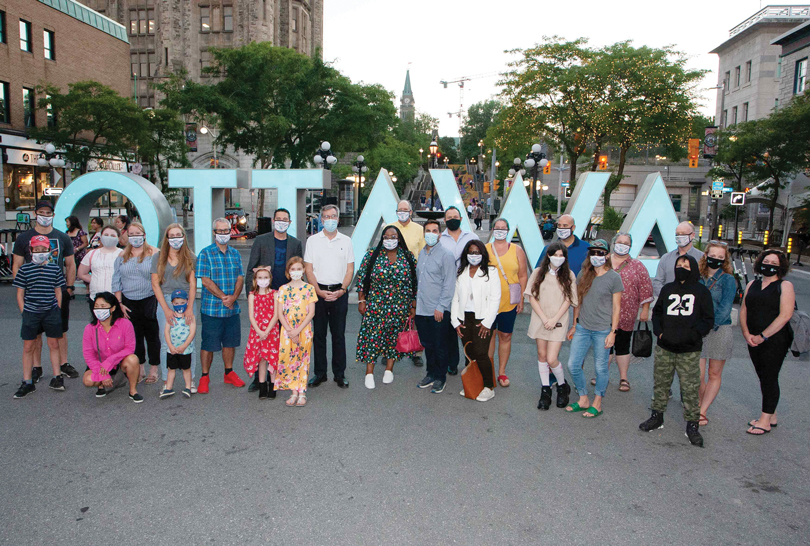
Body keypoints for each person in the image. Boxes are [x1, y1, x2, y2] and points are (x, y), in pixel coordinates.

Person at [641, 255, 713, 447]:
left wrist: (692, 336)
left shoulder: (701, 291)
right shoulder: (668, 288)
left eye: (686, 265)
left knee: (689, 388)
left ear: (694, 268)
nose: (681, 267)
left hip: (689, 350)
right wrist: (660, 333)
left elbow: (707, 319)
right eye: (679, 264)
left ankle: (692, 425)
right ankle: (657, 416)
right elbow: (657, 313)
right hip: (665, 347)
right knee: (661, 383)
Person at [12, 200, 78, 383]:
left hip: (57, 290)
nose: (45, 216)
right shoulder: (24, 238)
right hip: (32, 292)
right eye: (41, 212)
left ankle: (63, 364)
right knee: (35, 333)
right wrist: (22, 289)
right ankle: (36, 367)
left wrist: (69, 287)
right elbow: (17, 265)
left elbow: (70, 264)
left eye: (48, 213)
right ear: (35, 213)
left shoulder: (62, 237)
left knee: (60, 330)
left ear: (53, 215)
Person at [244, 207, 304, 391]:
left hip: (285, 297)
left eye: (285, 219)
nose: (281, 222)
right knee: (262, 336)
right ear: (273, 220)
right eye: (279, 219)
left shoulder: (295, 243)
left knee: (281, 337)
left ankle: (279, 375)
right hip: (264, 298)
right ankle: (258, 379)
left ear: (290, 222)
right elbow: (250, 269)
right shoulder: (261, 241)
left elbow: (298, 270)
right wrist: (251, 295)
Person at [565, 239, 622, 418]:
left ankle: (597, 403)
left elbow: (617, 307)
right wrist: (574, 325)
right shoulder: (583, 274)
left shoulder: (614, 277)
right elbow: (578, 302)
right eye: (593, 253)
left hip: (603, 330)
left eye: (600, 253)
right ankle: (583, 398)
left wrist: (613, 332)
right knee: (573, 364)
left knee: (601, 368)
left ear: (607, 255)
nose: (596, 256)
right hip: (582, 328)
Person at [740, 249, 795, 435]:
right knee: (763, 376)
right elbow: (744, 310)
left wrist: (763, 336)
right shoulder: (752, 285)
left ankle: (764, 421)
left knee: (770, 376)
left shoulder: (785, 286)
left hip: (775, 338)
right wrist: (747, 334)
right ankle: (772, 414)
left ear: (780, 267)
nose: (769, 265)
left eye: (774, 263)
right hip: (753, 338)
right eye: (766, 261)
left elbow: (785, 315)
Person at [356, 226, 418, 389]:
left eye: (393, 236)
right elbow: (362, 279)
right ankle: (369, 373)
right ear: (382, 238)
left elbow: (414, 282)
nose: (390, 240)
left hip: (400, 305)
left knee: (394, 337)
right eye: (386, 237)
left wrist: (413, 304)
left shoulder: (408, 256)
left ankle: (389, 369)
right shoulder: (372, 255)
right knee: (372, 338)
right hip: (375, 305)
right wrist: (361, 301)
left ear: (399, 238)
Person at [304, 205, 354, 389]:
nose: (330, 219)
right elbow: (308, 268)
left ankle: (339, 374)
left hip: (339, 293)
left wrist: (342, 289)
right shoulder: (313, 241)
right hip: (318, 293)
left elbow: (350, 268)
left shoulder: (346, 241)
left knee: (338, 335)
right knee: (319, 335)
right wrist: (317, 290)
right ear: (321, 219)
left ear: (338, 219)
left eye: (333, 216)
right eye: (326, 216)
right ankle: (320, 373)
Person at [196, 218, 246, 393]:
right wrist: (225, 297)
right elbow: (205, 280)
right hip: (212, 308)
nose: (223, 234)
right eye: (220, 231)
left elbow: (240, 277)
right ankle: (204, 376)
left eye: (226, 231)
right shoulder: (205, 253)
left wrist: (234, 297)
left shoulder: (235, 254)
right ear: (214, 232)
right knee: (208, 344)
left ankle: (228, 372)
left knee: (230, 343)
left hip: (232, 308)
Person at [13, 235, 66, 398]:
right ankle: (27, 381)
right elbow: (20, 293)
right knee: (29, 346)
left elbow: (58, 290)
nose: (40, 253)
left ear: (49, 251)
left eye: (44, 250)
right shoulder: (24, 269)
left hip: (51, 311)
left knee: (54, 344)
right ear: (31, 251)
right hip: (31, 312)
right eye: (37, 250)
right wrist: (25, 312)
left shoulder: (55, 269)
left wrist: (57, 308)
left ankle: (58, 377)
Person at [526, 241, 577, 410]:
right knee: (541, 355)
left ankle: (562, 386)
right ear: (548, 255)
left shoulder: (569, 275)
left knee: (551, 358)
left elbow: (569, 299)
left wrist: (554, 319)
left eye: (561, 255)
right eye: (555, 254)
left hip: (559, 320)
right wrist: (544, 318)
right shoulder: (538, 273)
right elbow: (531, 296)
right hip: (540, 319)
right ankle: (545, 389)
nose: (558, 258)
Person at [451, 240, 501, 402]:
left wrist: (487, 323)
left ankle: (488, 387)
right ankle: (474, 383)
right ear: (466, 254)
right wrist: (455, 322)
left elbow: (495, 298)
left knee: (481, 352)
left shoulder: (491, 272)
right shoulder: (461, 272)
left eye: (477, 252)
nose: (474, 256)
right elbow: (455, 298)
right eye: (471, 252)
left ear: (483, 254)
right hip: (464, 318)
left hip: (483, 318)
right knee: (469, 352)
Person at [604, 232, 653, 392]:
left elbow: (646, 288)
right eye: (620, 242)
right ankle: (601, 375)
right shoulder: (603, 261)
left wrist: (644, 310)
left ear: (630, 246)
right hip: (603, 313)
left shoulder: (637, 266)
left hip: (626, 314)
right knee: (604, 346)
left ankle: (623, 378)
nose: (623, 245)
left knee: (622, 346)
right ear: (613, 243)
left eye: (626, 243)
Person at [150, 224, 197, 388]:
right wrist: (166, 309)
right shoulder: (158, 258)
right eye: (172, 235)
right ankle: (166, 380)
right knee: (166, 341)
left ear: (184, 237)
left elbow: (192, 283)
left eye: (179, 235)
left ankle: (189, 380)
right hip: (166, 300)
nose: (176, 239)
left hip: (187, 300)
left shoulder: (190, 257)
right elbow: (155, 284)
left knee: (189, 340)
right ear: (167, 238)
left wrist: (190, 307)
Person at [112, 221, 160, 383]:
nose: (135, 237)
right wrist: (119, 303)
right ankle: (140, 368)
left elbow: (160, 277)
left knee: (152, 335)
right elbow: (116, 281)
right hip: (128, 302)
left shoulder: (155, 253)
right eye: (131, 234)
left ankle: (154, 368)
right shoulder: (121, 256)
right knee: (135, 336)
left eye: (138, 234)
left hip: (149, 299)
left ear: (144, 235)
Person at [697, 241, 737, 426]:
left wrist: (709, 326)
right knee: (697, 373)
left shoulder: (728, 280)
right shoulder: (697, 277)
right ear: (706, 255)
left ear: (725, 259)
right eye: (713, 255)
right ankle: (697, 403)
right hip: (698, 329)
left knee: (714, 373)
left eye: (721, 257)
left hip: (719, 329)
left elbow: (725, 308)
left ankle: (703, 410)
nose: (717, 259)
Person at [414, 219, 456, 394]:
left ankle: (440, 377)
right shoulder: (422, 253)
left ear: (440, 234)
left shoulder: (446, 255)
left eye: (434, 230)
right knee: (427, 343)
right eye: (428, 231)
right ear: (424, 233)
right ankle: (430, 373)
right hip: (422, 309)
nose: (431, 234)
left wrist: (441, 306)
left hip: (438, 309)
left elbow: (449, 283)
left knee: (440, 345)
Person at [486, 218, 528, 388]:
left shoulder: (517, 250)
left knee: (505, 336)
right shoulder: (485, 249)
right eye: (498, 228)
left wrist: (522, 298)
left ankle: (501, 372)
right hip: (488, 302)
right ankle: (488, 369)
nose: (500, 231)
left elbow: (523, 275)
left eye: (504, 228)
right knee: (489, 336)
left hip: (509, 302)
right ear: (493, 229)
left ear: (509, 231)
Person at [81, 292, 143, 403]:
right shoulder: (90, 329)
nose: (99, 310)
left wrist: (110, 361)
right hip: (100, 365)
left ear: (113, 308)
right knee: (87, 380)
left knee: (133, 359)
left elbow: (130, 348)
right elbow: (88, 355)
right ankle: (101, 385)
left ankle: (133, 390)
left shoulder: (125, 324)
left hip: (119, 364)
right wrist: (102, 374)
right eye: (96, 306)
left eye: (103, 306)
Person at [440, 206, 479, 374]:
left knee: (467, 325)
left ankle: (469, 360)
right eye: (449, 217)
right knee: (450, 327)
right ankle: (452, 362)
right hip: (447, 287)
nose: (452, 219)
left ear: (461, 218)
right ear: (445, 220)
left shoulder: (472, 237)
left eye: (455, 216)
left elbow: (479, 259)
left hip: (468, 287)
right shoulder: (440, 238)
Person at [389, 199, 426, 367]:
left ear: (411, 212)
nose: (402, 212)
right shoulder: (389, 228)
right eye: (399, 209)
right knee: (392, 314)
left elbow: (425, 253)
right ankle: (389, 348)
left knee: (415, 314)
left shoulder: (419, 230)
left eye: (405, 210)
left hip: (413, 278)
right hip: (393, 278)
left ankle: (416, 351)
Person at [275, 257, 317, 406]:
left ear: (304, 270)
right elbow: (279, 313)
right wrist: (290, 331)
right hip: (287, 330)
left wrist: (298, 331)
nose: (296, 272)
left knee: (303, 358)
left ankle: (302, 392)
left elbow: (311, 313)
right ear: (288, 272)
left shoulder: (309, 289)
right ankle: (293, 391)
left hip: (304, 330)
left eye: (299, 268)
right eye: (293, 269)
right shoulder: (283, 289)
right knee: (289, 358)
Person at [244, 265, 280, 400]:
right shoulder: (252, 295)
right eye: (260, 278)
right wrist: (259, 331)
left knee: (272, 358)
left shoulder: (275, 294)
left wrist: (267, 330)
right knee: (261, 359)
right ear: (255, 279)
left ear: (270, 279)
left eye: (265, 277)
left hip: (271, 330)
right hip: (257, 331)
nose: (262, 280)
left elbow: (276, 314)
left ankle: (273, 385)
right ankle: (262, 385)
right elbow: (251, 315)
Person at [652, 221, 704, 298]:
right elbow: (658, 282)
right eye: (677, 234)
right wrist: (666, 297)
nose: (680, 236)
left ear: (692, 235)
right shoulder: (666, 258)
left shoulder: (702, 258)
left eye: (683, 234)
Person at [160, 289, 196, 399]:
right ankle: (168, 388)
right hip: (172, 349)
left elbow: (192, 332)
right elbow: (166, 332)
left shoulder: (190, 317)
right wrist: (170, 346)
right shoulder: (170, 317)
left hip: (185, 349)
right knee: (171, 368)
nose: (179, 305)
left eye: (182, 303)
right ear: (172, 303)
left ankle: (188, 387)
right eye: (176, 303)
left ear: (187, 302)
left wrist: (184, 346)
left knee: (186, 369)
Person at [78, 225, 123, 302]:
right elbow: (81, 273)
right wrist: (95, 280)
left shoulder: (123, 254)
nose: (109, 237)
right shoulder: (92, 254)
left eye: (112, 235)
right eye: (106, 235)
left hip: (118, 298)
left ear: (118, 238)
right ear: (101, 237)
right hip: (96, 297)